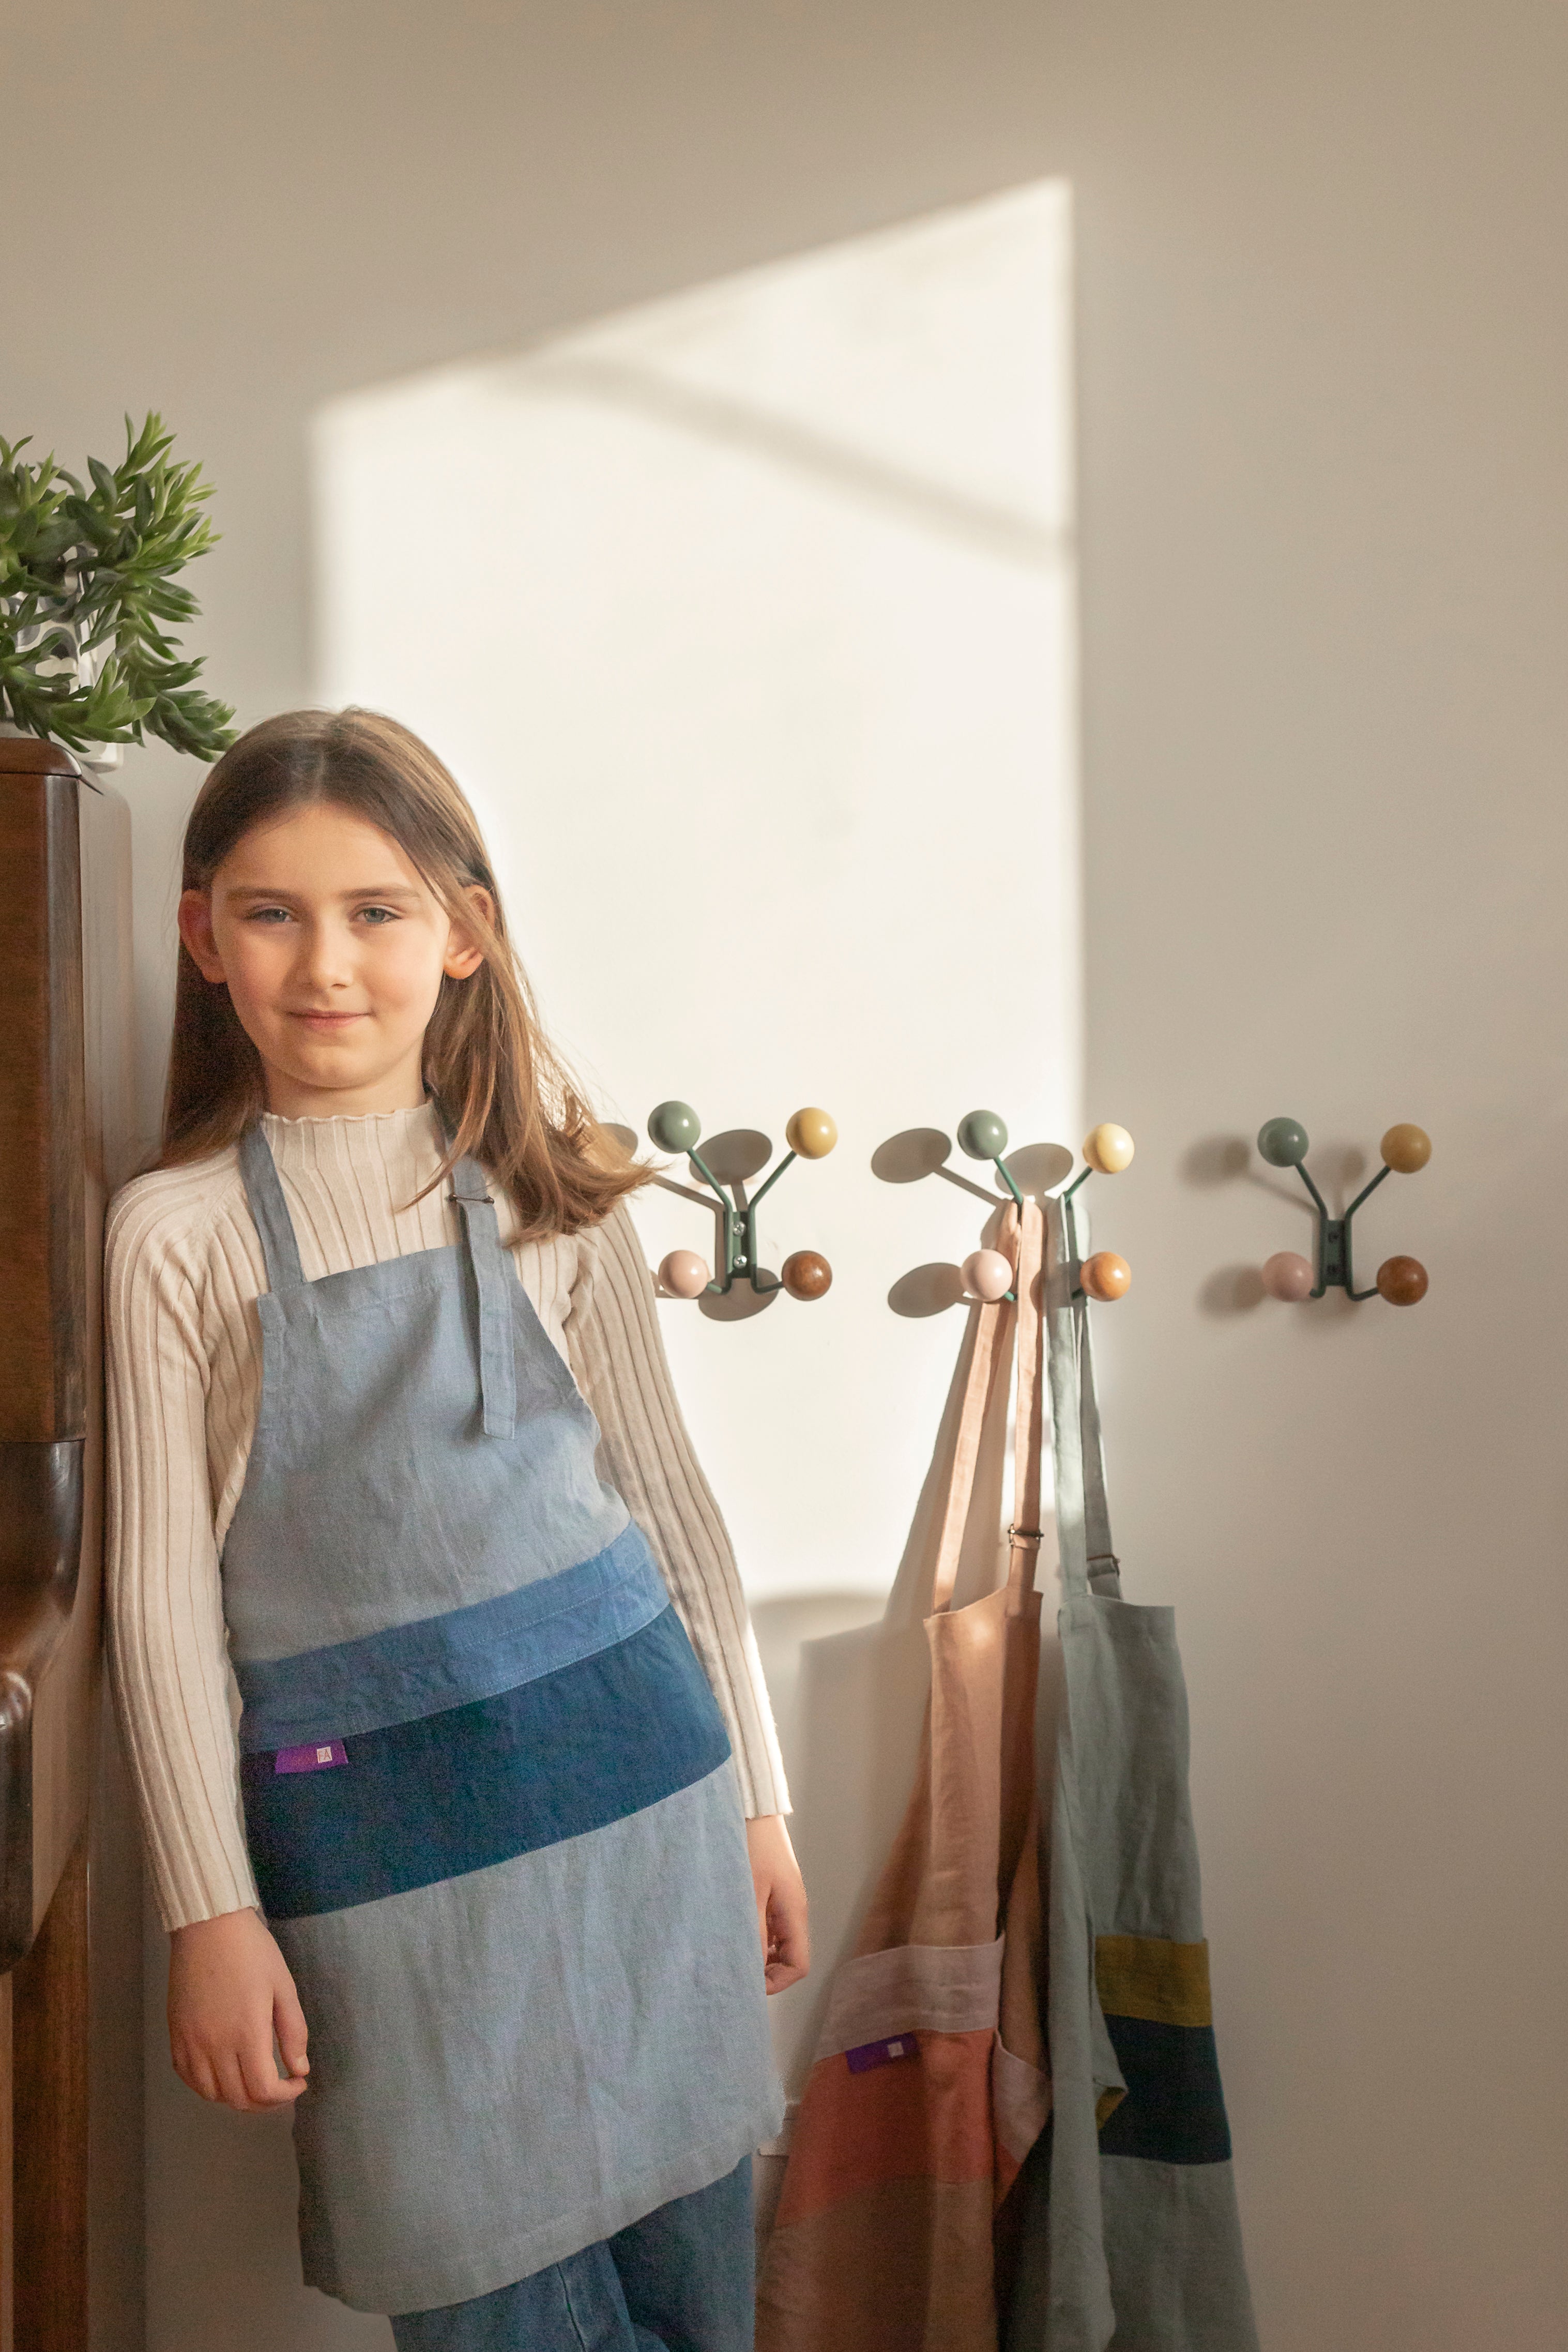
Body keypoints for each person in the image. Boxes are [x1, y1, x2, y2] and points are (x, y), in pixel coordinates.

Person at [105, 707, 808, 2351]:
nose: (325, 963)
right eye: (271, 913)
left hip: (647, 1805)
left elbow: (674, 1521)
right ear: (201, 939)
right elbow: (156, 1608)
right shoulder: (174, 1237)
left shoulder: (554, 1195)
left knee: (700, 2306)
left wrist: (759, 1808)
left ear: (467, 933)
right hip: (386, 1875)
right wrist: (209, 1912)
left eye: (378, 911)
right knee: (490, 2309)